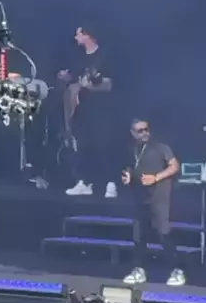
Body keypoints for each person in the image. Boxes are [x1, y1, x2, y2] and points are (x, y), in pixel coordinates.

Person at [121, 119, 184, 286]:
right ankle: (139, 269)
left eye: (146, 129)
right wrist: (128, 176)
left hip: (160, 196)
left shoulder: (160, 147)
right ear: (133, 133)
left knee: (163, 233)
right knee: (139, 235)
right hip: (141, 197)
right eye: (140, 131)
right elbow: (132, 167)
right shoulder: (133, 149)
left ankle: (177, 269)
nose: (144, 133)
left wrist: (156, 177)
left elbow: (174, 166)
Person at [64, 27, 116, 198]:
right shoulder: (79, 58)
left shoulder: (104, 56)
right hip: (82, 108)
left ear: (88, 35)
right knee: (82, 145)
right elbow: (75, 81)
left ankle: (110, 183)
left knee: (102, 144)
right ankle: (84, 182)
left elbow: (108, 84)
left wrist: (90, 86)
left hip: (101, 108)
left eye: (78, 33)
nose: (75, 36)